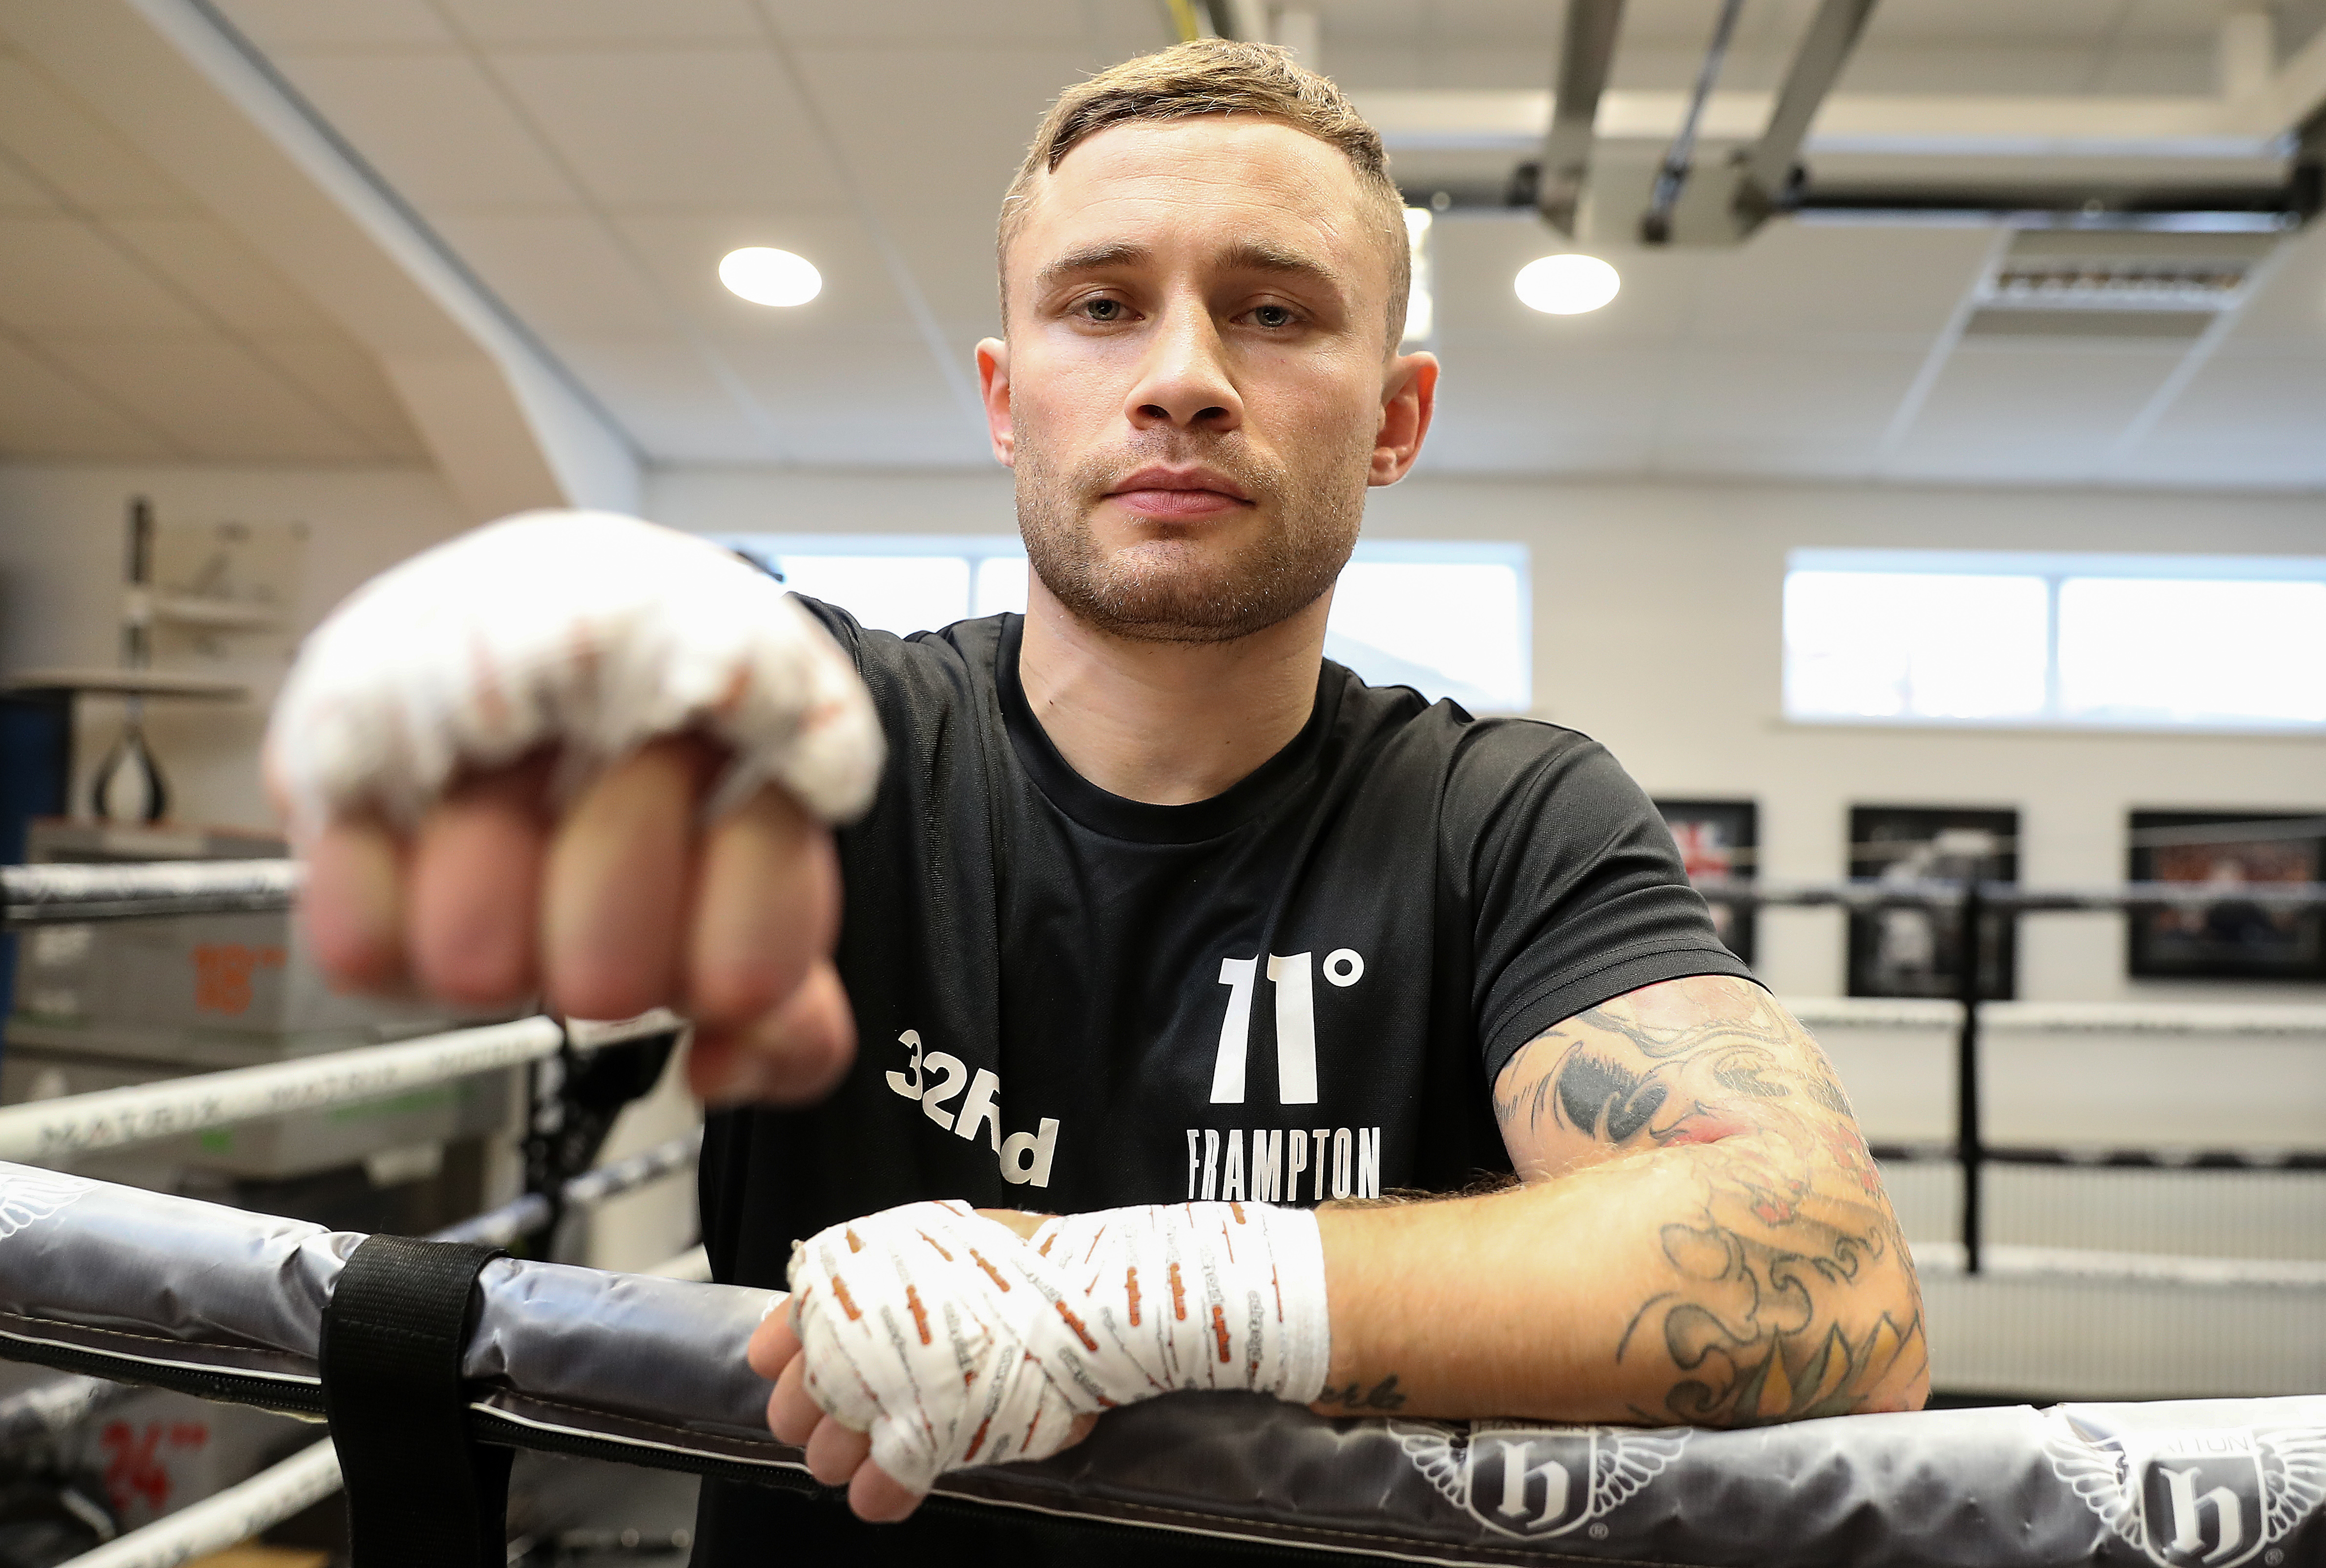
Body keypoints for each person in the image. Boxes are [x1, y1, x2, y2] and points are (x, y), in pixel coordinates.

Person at [267, 40, 1927, 1564]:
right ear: (1005, 396)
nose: (1183, 377)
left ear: (1395, 419)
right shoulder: (842, 732)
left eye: (1273, 312)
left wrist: (1142, 1293)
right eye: (1102, 305)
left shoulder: (1501, 818)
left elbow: (1823, 1271)